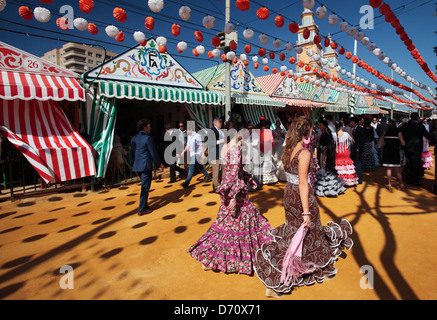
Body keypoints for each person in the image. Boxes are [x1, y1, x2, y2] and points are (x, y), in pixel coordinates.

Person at [254, 116, 353, 297]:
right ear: (306, 132)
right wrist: (306, 212)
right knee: (311, 227)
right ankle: (285, 276)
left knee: (294, 230)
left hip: (288, 194)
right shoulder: (305, 153)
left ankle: (295, 260)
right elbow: (303, 183)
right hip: (301, 196)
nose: (313, 132)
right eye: (311, 130)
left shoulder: (288, 149)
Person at [187, 121, 273, 274]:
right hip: (235, 192)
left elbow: (234, 171)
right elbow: (233, 174)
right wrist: (233, 196)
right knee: (243, 220)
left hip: (229, 189)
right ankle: (224, 258)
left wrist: (247, 178)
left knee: (227, 224)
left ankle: (212, 258)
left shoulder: (225, 148)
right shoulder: (235, 149)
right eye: (244, 132)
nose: (246, 134)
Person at [131, 119, 164, 215]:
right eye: (149, 126)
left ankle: (144, 205)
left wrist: (134, 166)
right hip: (145, 166)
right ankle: (141, 209)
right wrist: (160, 164)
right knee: (145, 188)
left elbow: (132, 154)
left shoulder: (134, 138)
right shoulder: (148, 138)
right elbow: (153, 153)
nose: (150, 128)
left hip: (138, 166)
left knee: (145, 186)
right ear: (144, 127)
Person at [400, 113, 437, 186]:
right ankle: (415, 181)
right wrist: (435, 141)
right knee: (415, 164)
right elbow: (427, 135)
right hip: (416, 148)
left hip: (407, 147)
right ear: (417, 118)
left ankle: (409, 180)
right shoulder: (420, 126)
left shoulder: (405, 126)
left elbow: (399, 132)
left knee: (409, 163)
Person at [313, 119, 345, 197]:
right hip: (328, 155)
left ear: (324, 125)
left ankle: (327, 190)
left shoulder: (325, 134)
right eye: (318, 125)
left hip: (325, 155)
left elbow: (325, 148)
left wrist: (323, 159)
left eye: (320, 125)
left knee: (324, 171)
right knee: (327, 171)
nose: (319, 126)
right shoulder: (327, 132)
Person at [179, 124, 211, 188]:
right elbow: (187, 145)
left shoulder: (197, 136)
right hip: (192, 153)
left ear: (191, 130)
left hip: (197, 153)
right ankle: (207, 176)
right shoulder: (189, 136)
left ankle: (186, 182)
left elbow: (200, 145)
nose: (187, 131)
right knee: (200, 166)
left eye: (187, 130)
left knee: (191, 167)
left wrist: (203, 154)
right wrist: (183, 152)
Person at [381, 120, 406, 191]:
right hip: (395, 152)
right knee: (398, 170)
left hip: (387, 152)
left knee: (388, 169)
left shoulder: (385, 133)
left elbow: (382, 144)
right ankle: (401, 184)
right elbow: (403, 143)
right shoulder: (398, 133)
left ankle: (389, 184)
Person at [335, 122, 358, 187]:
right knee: (346, 166)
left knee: (338, 165)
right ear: (342, 127)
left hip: (337, 152)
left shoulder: (334, 134)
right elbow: (352, 141)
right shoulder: (346, 134)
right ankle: (347, 181)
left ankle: (339, 180)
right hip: (345, 151)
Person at [259, 118, 278, 185]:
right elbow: (272, 141)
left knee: (262, 163)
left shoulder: (258, 132)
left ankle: (263, 179)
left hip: (261, 149)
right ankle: (270, 179)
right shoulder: (269, 132)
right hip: (268, 149)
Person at [244, 123, 262, 191]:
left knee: (256, 169)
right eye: (248, 128)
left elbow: (255, 143)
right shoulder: (249, 136)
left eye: (250, 128)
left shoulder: (255, 135)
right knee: (251, 169)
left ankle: (257, 185)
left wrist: (246, 143)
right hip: (250, 152)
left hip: (255, 152)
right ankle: (253, 185)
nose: (249, 129)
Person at [209, 118, 225, 190]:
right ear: (215, 123)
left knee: (222, 170)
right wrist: (219, 141)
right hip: (214, 154)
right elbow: (210, 142)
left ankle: (221, 185)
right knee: (216, 171)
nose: (221, 123)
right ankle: (215, 186)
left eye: (221, 122)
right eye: (219, 122)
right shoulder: (212, 131)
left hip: (221, 153)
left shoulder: (221, 131)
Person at [349, 117, 365, 184]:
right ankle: (355, 178)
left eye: (352, 122)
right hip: (353, 149)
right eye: (350, 122)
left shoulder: (360, 129)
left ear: (356, 123)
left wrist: (359, 148)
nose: (351, 123)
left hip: (357, 149)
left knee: (358, 164)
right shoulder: (352, 130)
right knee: (355, 163)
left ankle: (359, 179)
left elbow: (363, 140)